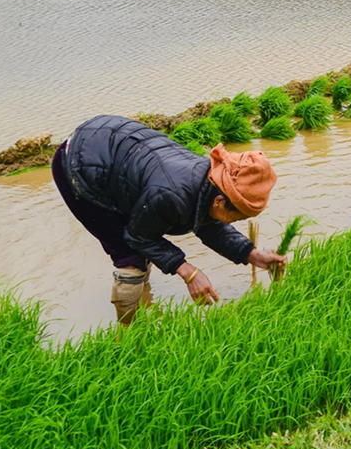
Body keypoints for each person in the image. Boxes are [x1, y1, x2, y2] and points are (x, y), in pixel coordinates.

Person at [52, 115, 286, 324]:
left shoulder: (211, 182)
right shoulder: (172, 194)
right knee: (131, 257)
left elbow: (210, 226)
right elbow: (139, 236)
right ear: (219, 202)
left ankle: (142, 301)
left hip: (113, 144)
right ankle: (128, 335)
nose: (234, 222)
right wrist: (189, 272)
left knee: (145, 235)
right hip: (80, 164)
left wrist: (251, 254)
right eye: (237, 217)